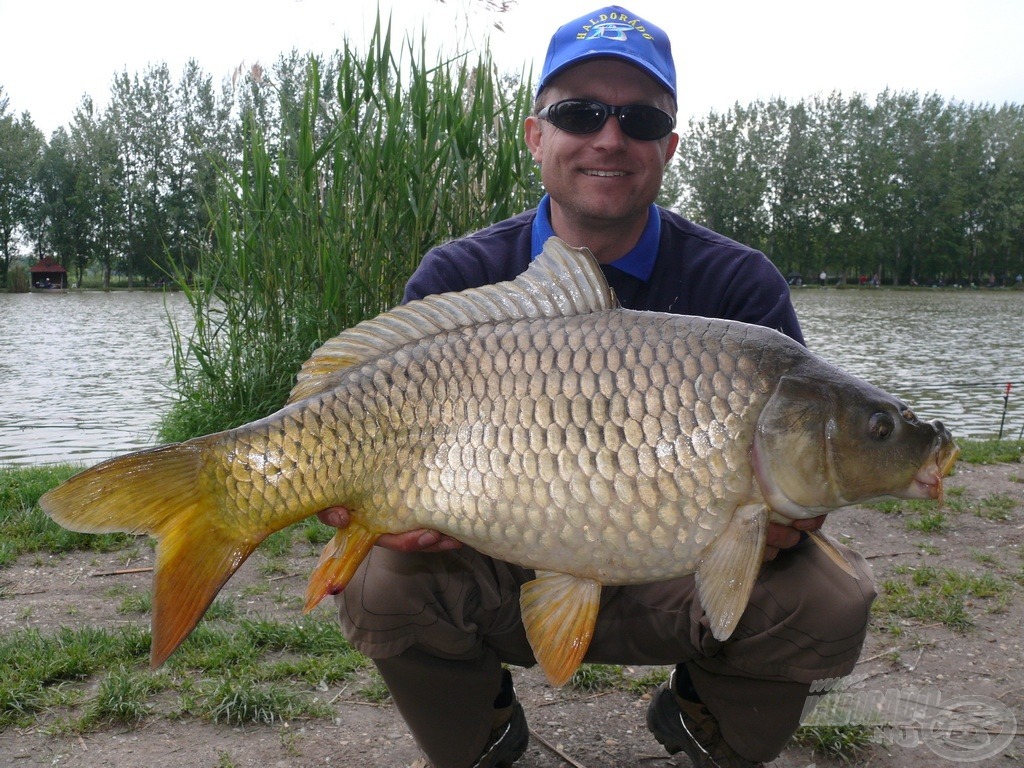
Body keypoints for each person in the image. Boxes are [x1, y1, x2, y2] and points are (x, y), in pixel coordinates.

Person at [317, 7, 875, 767]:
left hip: (676, 569)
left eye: (639, 118)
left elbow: (795, 472)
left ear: (668, 147)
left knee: (829, 597)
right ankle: (478, 734)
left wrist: (789, 512)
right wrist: (352, 500)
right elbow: (353, 450)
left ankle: (704, 722)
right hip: (499, 559)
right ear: (536, 134)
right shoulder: (458, 278)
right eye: (580, 112)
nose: (610, 138)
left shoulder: (740, 285)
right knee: (384, 577)